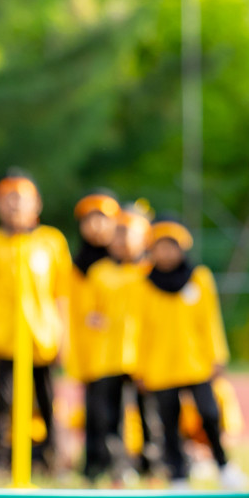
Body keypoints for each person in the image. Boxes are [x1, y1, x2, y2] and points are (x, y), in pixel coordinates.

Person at [0, 172, 70, 480]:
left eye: (21, 199)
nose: (15, 206)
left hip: (42, 339)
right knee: (3, 404)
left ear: (36, 203)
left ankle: (52, 461)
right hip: (6, 339)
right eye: (7, 199)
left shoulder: (52, 241)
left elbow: (61, 294)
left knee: (49, 403)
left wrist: (64, 336)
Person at [134, 218, 249, 490]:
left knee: (209, 413)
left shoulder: (199, 278)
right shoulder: (143, 284)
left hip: (195, 361)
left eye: (171, 246)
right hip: (160, 365)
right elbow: (138, 328)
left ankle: (223, 465)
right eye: (159, 247)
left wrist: (217, 354)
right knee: (169, 422)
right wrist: (139, 367)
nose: (165, 253)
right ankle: (177, 474)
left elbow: (209, 319)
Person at [64, 189, 134, 484]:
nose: (95, 226)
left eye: (102, 219)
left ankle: (126, 462)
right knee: (93, 408)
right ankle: (93, 462)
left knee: (121, 410)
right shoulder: (78, 265)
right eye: (88, 219)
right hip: (86, 345)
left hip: (121, 350)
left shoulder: (125, 263)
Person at [109, 201, 156, 480]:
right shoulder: (103, 272)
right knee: (115, 414)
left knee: (151, 413)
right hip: (114, 356)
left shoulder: (153, 274)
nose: (122, 239)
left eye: (128, 231)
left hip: (147, 355)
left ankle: (153, 463)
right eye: (118, 232)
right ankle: (120, 465)